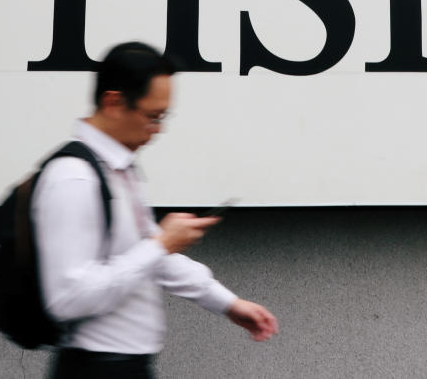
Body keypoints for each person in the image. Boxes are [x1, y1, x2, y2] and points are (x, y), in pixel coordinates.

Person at [32, 41, 278, 378]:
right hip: (96, 367)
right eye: (152, 116)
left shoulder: (119, 169)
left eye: (163, 116)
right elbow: (68, 297)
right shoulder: (74, 178)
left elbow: (147, 258)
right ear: (114, 102)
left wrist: (227, 304)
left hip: (125, 365)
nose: (159, 130)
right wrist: (160, 244)